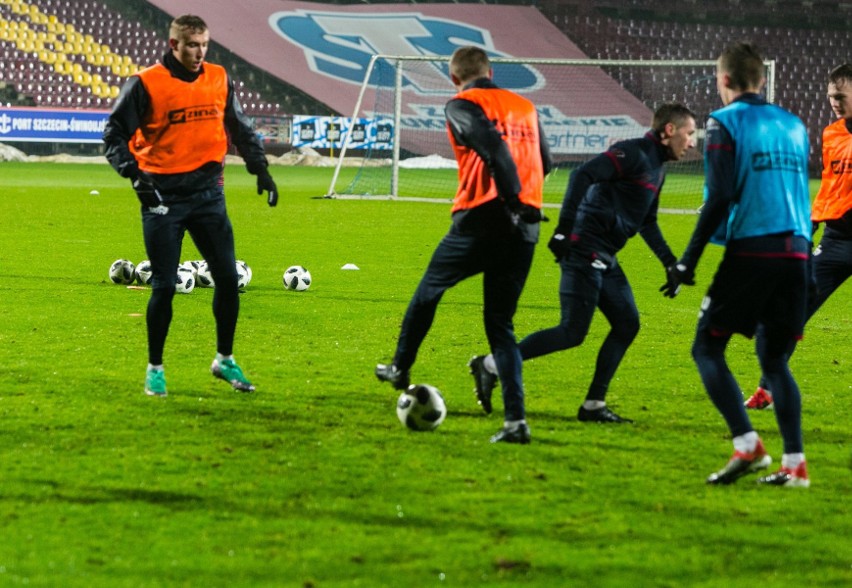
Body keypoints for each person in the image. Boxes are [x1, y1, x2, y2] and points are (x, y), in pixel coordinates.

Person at [468, 103, 697, 424]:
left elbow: (647, 221)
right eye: (689, 134)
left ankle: (593, 406)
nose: (692, 143)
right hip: (584, 247)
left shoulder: (657, 168)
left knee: (627, 323)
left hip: (604, 254)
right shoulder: (633, 153)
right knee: (573, 331)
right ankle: (491, 364)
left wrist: (670, 262)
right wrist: (563, 231)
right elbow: (582, 174)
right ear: (669, 131)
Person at [375, 45, 553, 444]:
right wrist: (523, 206)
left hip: (483, 218)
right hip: (527, 224)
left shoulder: (462, 104)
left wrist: (508, 202)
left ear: (454, 78)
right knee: (501, 326)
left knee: (428, 292)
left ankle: (400, 368)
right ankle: (516, 422)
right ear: (491, 71)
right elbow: (546, 159)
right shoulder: (525, 106)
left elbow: (493, 149)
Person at [103, 14, 278, 397]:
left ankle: (224, 360)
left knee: (228, 280)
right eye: (191, 45)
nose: (199, 53)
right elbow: (113, 134)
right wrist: (134, 175)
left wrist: (260, 169)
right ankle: (155, 368)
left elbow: (238, 125)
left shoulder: (218, 78)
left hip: (208, 195)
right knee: (164, 287)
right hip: (162, 196)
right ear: (174, 45)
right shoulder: (145, 84)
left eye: (204, 45)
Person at [667, 42, 812, 487]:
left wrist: (686, 261)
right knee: (773, 359)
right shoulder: (795, 124)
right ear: (762, 80)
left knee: (707, 346)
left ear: (724, 80)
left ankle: (748, 446)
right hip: (798, 251)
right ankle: (795, 465)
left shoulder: (723, 121)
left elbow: (721, 196)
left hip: (754, 249)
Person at [745, 62, 852, 410]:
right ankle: (768, 389)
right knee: (792, 311)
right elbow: (831, 185)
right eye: (831, 97)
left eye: (840, 96)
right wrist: (811, 223)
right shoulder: (832, 134)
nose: (834, 102)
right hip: (836, 241)